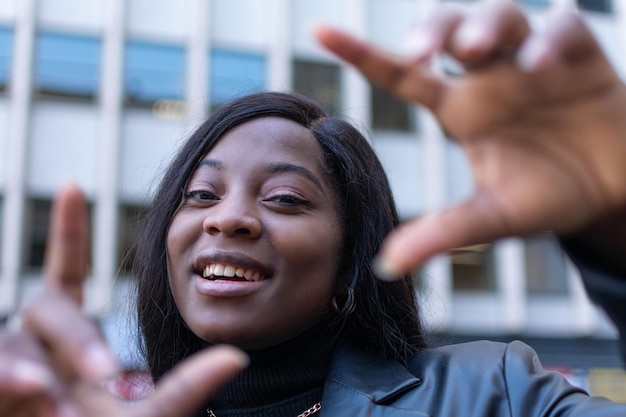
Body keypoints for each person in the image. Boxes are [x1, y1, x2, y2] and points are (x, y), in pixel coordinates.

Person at [1, 2, 626, 417]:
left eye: (285, 200)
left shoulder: (493, 392)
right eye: (201, 195)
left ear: (351, 258)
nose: (227, 219)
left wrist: (614, 220)